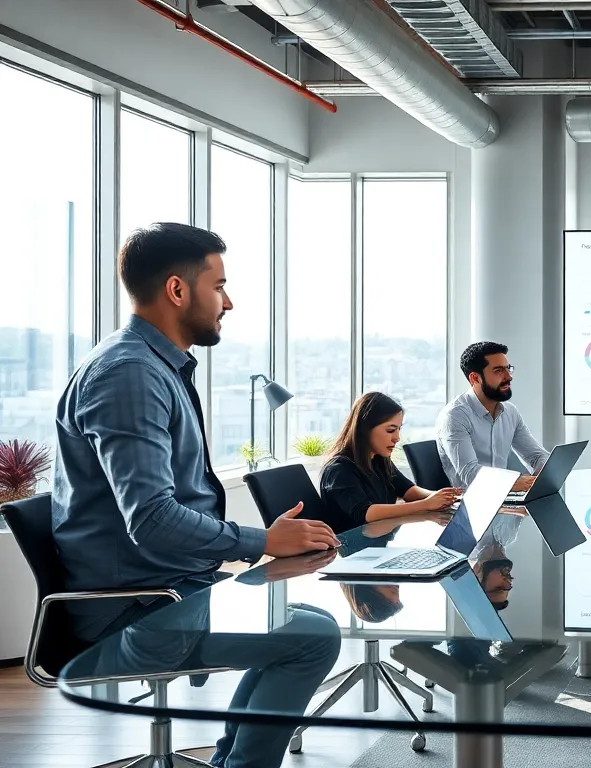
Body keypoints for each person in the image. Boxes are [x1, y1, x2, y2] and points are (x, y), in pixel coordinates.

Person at [51, 222, 341, 768]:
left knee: (308, 623)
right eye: (219, 286)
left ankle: (233, 760)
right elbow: (153, 520)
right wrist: (263, 542)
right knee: (311, 639)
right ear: (178, 291)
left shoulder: (149, 366)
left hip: (167, 587)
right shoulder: (130, 375)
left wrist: (267, 543)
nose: (228, 302)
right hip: (134, 611)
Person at [318, 391, 461, 534]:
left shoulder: (379, 460)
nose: (397, 437)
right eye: (390, 430)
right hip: (352, 551)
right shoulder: (338, 470)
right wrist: (426, 504)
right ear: (365, 429)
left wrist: (447, 497)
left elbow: (408, 490)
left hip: (379, 543)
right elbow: (367, 513)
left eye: (399, 429)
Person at [437, 341, 548, 491]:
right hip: (467, 504)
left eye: (508, 369)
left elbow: (537, 456)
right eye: (498, 371)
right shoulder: (455, 416)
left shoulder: (510, 412)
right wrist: (514, 483)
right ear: (475, 378)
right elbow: (470, 475)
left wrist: (539, 479)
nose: (509, 377)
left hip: (503, 500)